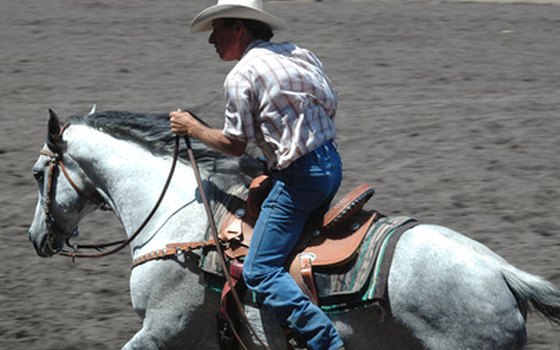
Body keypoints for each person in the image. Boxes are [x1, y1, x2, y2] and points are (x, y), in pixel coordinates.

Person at [169, 1, 345, 349]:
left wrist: (192, 127)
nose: (211, 40)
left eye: (217, 29)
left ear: (239, 27)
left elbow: (234, 145)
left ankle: (325, 341)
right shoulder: (300, 54)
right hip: (331, 165)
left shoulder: (241, 76)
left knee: (259, 270)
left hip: (301, 179)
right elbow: (330, 104)